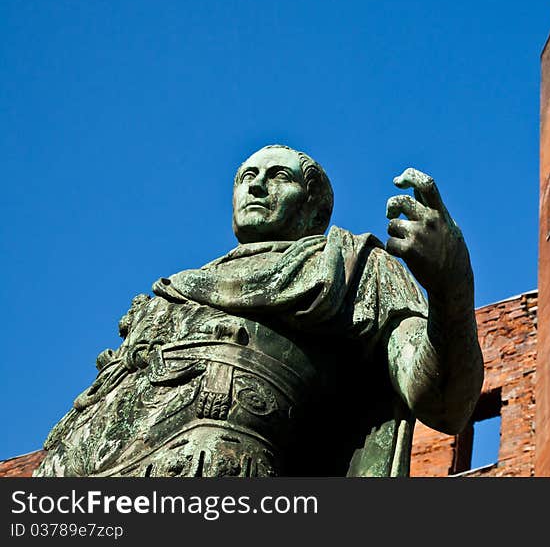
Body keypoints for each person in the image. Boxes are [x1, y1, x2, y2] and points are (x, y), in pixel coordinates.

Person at [34, 145, 483, 477]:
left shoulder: (351, 266)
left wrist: (451, 285)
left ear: (314, 207)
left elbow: (442, 401)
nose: (256, 184)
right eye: (246, 175)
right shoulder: (175, 293)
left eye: (278, 176)